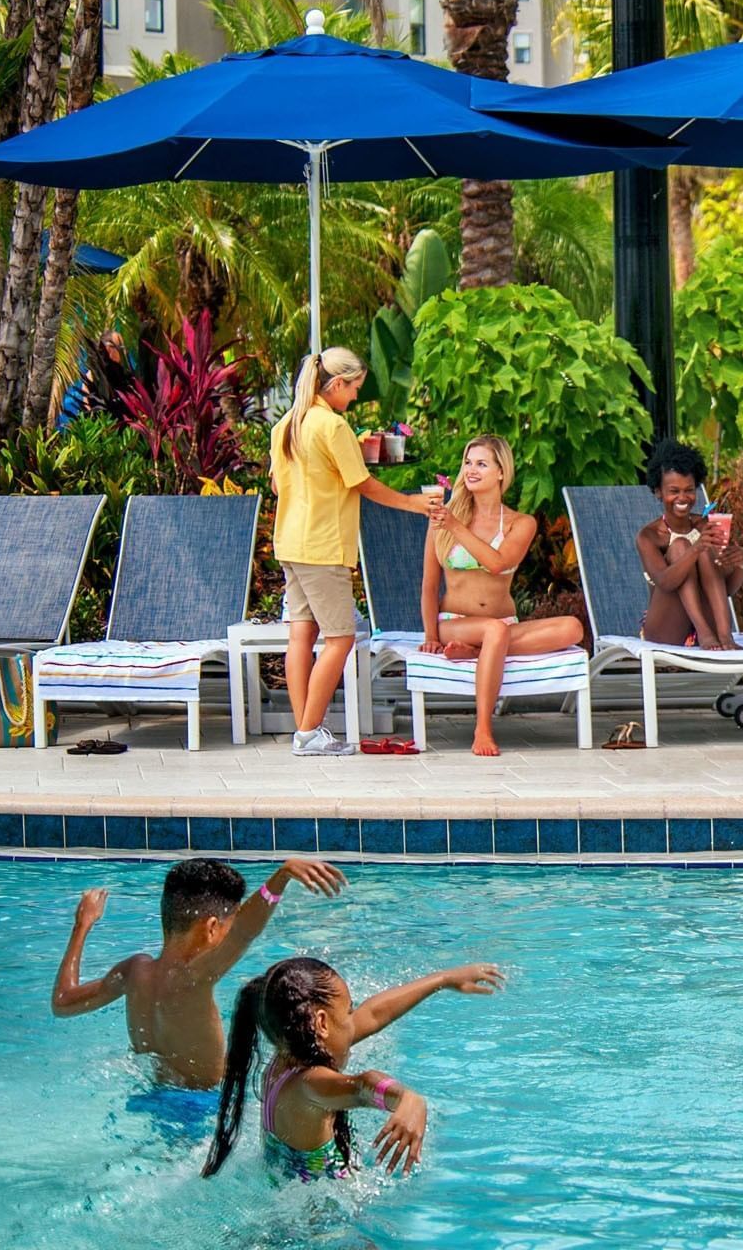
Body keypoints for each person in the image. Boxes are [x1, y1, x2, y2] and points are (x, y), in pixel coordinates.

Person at [49, 858, 347, 1123]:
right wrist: (279, 879)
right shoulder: (192, 977)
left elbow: (62, 1002)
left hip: (149, 1100)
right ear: (212, 927)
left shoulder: (134, 971)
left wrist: (83, 924)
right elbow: (245, 932)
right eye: (229, 924)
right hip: (202, 1112)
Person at [202, 956, 505, 1181]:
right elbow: (362, 1086)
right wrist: (407, 1098)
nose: (354, 1019)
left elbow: (373, 1014)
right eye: (347, 1011)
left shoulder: (284, 1058)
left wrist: (443, 979)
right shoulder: (311, 1084)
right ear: (321, 1023)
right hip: (319, 1229)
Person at [272, 348, 437, 757]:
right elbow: (361, 482)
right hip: (323, 545)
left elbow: (278, 485)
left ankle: (306, 731)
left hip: (291, 542)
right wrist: (412, 502)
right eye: (355, 388)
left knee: (301, 634)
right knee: (341, 639)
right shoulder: (332, 426)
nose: (356, 397)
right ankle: (308, 733)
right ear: (337, 384)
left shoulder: (286, 424)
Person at [419, 435, 585, 756]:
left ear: (500, 473)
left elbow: (497, 564)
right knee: (494, 631)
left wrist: (454, 526)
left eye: (481, 463)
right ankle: (483, 728)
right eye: (468, 462)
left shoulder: (520, 523)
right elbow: (429, 585)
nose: (471, 470)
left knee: (572, 628)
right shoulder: (444, 520)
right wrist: (430, 635)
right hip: (455, 622)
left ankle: (477, 651)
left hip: (502, 623)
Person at [635, 439, 743, 651]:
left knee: (705, 552)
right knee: (681, 546)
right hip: (665, 629)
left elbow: (727, 589)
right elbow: (664, 582)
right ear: (658, 491)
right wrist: (696, 547)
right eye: (673, 491)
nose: (682, 497)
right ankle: (705, 634)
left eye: (689, 490)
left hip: (711, 626)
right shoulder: (649, 536)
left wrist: (742, 559)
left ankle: (725, 635)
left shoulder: (706, 525)